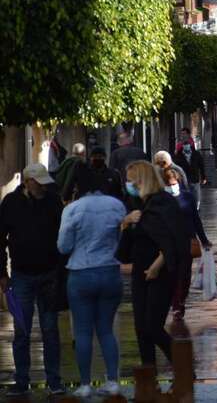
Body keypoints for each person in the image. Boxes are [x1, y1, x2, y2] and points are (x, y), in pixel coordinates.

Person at [57, 165, 126, 398]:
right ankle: (113, 381)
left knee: (83, 331)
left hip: (81, 272)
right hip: (110, 271)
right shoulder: (116, 205)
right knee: (106, 329)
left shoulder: (72, 209)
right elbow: (122, 238)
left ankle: (85, 383)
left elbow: (63, 246)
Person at [0, 163, 65, 397]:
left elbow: (62, 233)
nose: (43, 187)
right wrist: (2, 273)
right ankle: (22, 380)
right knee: (21, 330)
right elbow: (0, 238)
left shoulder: (52, 200)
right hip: (21, 275)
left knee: (50, 330)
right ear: (27, 182)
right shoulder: (11, 203)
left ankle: (54, 380)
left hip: (49, 274)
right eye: (39, 183)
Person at [117, 161, 186, 372]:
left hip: (161, 273)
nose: (128, 184)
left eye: (131, 180)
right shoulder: (137, 205)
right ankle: (149, 375)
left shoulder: (163, 203)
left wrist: (158, 264)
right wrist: (126, 223)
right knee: (141, 328)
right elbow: (124, 250)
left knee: (153, 326)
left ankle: (183, 367)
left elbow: (175, 239)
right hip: (140, 272)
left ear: (142, 180)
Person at [162, 168, 211, 320]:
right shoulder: (161, 199)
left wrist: (204, 240)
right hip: (168, 242)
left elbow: (196, 219)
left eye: (173, 184)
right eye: (168, 185)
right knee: (172, 274)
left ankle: (180, 300)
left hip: (187, 240)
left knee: (184, 275)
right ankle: (176, 304)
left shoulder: (188, 197)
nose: (172, 187)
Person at [173, 132, 207, 210]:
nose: (186, 146)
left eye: (188, 144)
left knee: (196, 196)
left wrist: (203, 177)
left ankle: (196, 208)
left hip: (195, 178)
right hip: (184, 179)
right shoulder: (179, 155)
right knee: (186, 195)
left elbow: (201, 166)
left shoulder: (196, 154)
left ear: (190, 145)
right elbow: (176, 168)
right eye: (185, 145)